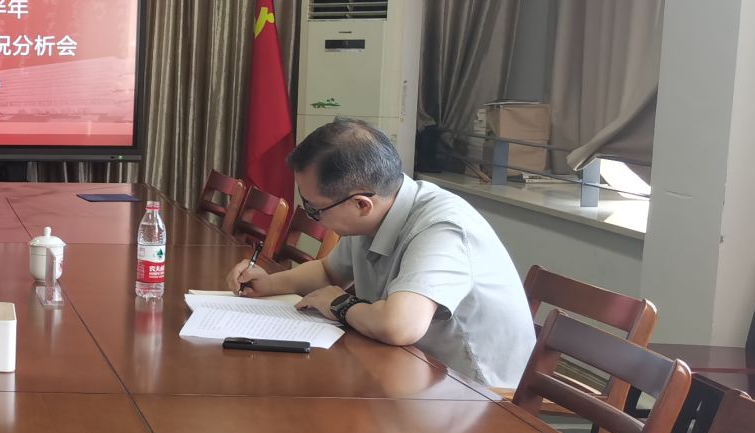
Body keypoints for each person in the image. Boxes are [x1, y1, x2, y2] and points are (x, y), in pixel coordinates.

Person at [227, 118, 533, 388]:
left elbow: (399, 326)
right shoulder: (379, 211)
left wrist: (339, 303)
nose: (311, 216)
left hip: (478, 395)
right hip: (413, 372)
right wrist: (268, 283)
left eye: (314, 209)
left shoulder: (441, 228)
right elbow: (328, 272)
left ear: (361, 204)